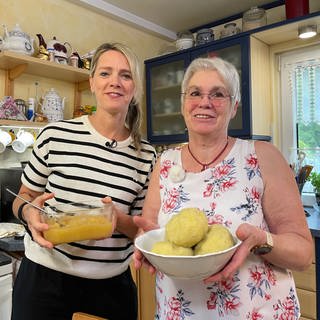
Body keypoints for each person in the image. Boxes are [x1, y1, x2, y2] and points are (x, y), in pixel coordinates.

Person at [133, 57, 313, 319]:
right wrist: (146, 244)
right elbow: (147, 227)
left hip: (256, 312)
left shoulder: (262, 156)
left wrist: (262, 241)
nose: (204, 102)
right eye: (195, 93)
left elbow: (303, 254)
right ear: (184, 103)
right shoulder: (165, 162)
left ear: (234, 106)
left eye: (218, 94)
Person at [11, 42, 156, 320]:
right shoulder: (54, 135)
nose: (115, 82)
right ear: (92, 82)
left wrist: (117, 218)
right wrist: (29, 211)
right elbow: (22, 196)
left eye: (125, 75)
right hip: (44, 280)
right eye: (105, 73)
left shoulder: (147, 155)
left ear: (134, 88)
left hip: (110, 288)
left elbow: (142, 232)